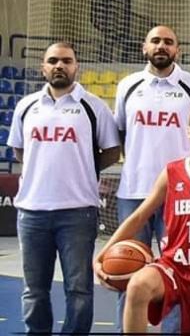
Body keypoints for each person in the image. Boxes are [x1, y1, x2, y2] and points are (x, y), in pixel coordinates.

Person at [94, 103, 190, 335]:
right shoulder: (172, 172)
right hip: (173, 268)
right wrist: (102, 254)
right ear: (189, 131)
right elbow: (139, 216)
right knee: (137, 286)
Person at [7, 42, 121, 334]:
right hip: (32, 211)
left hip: (78, 211)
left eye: (66, 61)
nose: (60, 65)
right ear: (43, 67)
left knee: (79, 289)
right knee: (34, 289)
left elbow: (111, 151)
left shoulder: (94, 107)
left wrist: (83, 167)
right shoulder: (26, 106)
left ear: (76, 66)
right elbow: (20, 150)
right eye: (53, 60)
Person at [113, 24, 190, 332]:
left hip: (179, 195)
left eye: (168, 42)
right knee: (124, 271)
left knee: (179, 273)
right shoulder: (128, 85)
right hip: (133, 192)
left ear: (177, 49)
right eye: (155, 41)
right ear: (145, 47)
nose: (161, 46)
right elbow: (122, 134)